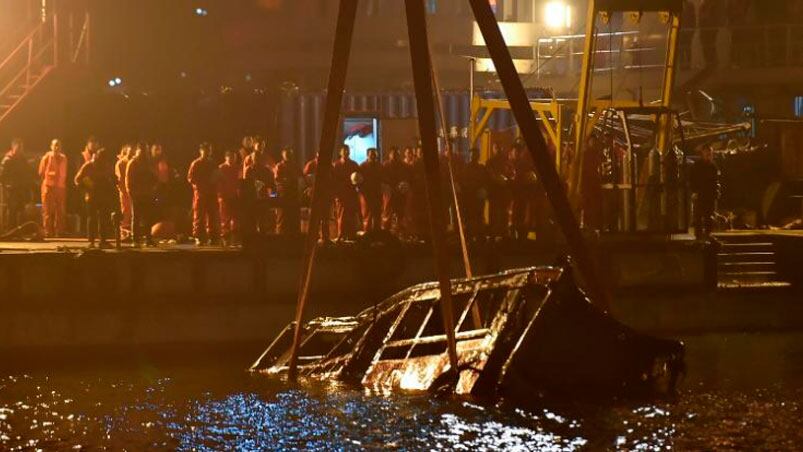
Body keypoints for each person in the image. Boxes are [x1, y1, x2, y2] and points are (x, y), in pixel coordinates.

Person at [74, 149, 115, 248]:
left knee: (103, 219)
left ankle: (103, 241)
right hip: (92, 196)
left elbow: (113, 179)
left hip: (104, 197)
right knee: (92, 219)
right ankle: (92, 241)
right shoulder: (89, 166)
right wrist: (87, 186)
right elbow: (77, 179)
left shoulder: (106, 166)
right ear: (97, 156)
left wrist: (112, 183)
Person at [187, 143, 220, 245]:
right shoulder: (196, 163)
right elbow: (190, 178)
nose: (207, 152)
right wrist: (200, 186)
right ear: (200, 151)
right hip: (201, 194)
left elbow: (217, 176)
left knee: (212, 216)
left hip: (211, 193)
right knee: (199, 216)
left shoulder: (213, 163)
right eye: (205, 150)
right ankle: (199, 237)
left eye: (209, 150)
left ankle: (213, 236)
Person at [126, 143, 156, 247]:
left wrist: (153, 189)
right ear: (138, 151)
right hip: (137, 194)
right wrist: (131, 193)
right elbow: (128, 180)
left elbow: (154, 177)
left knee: (148, 217)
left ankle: (148, 238)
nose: (144, 152)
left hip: (147, 194)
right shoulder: (133, 163)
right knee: (136, 217)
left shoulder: (148, 163)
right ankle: (136, 239)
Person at [0, 139, 34, 231]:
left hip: (21, 188)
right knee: (12, 210)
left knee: (21, 209)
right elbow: (2, 175)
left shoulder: (22, 159)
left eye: (21, 148)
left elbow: (27, 172)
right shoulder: (7, 159)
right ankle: (11, 230)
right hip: (11, 189)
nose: (20, 150)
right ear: (13, 147)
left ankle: (20, 230)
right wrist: (6, 187)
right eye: (18, 147)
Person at [38, 139, 68, 238]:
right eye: (55, 145)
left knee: (60, 210)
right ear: (51, 146)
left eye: (58, 145)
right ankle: (48, 231)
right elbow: (41, 172)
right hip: (48, 187)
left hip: (60, 187)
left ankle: (59, 231)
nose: (57, 147)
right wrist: (47, 183)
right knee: (47, 210)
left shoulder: (64, 158)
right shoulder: (46, 158)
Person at [243, 149, 276, 236]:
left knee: (263, 221)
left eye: (258, 157)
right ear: (252, 158)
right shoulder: (249, 170)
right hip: (252, 199)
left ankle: (262, 240)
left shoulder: (266, 170)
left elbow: (272, 185)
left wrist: (273, 198)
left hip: (263, 199)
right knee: (252, 221)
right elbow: (246, 185)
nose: (256, 159)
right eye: (255, 157)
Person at [331, 144, 360, 241]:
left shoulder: (354, 164)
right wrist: (336, 194)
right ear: (340, 152)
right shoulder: (336, 165)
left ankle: (351, 234)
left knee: (351, 214)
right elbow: (333, 181)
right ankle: (341, 234)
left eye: (347, 150)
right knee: (341, 215)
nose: (346, 152)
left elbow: (359, 178)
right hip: (341, 194)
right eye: (344, 150)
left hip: (351, 193)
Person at [690, 145, 719, 239]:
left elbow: (715, 181)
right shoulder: (697, 165)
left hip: (709, 195)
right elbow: (692, 179)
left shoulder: (713, 166)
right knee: (698, 216)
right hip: (700, 194)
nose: (709, 155)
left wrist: (716, 193)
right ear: (703, 153)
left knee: (709, 216)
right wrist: (694, 192)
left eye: (710, 153)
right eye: (707, 153)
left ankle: (708, 234)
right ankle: (698, 236)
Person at [459, 147, 489, 239]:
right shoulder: (466, 168)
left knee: (478, 216)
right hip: (470, 196)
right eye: (472, 155)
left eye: (475, 155)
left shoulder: (481, 168)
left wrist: (482, 190)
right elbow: (463, 182)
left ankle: (478, 235)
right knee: (471, 216)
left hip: (477, 196)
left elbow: (486, 181)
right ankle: (472, 235)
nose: (473, 157)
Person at [486, 143, 513, 238]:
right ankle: (493, 235)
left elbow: (511, 174)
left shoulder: (506, 161)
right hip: (494, 193)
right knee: (493, 214)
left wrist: (506, 180)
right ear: (493, 149)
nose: (497, 150)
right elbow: (489, 177)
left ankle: (503, 234)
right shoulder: (489, 162)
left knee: (503, 213)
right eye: (495, 148)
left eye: (498, 148)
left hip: (503, 193)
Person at [381, 146, 410, 233]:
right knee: (387, 213)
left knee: (400, 212)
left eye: (397, 154)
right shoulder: (385, 165)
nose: (395, 156)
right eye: (393, 154)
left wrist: (403, 185)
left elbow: (408, 177)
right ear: (390, 154)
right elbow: (382, 178)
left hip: (400, 193)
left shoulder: (404, 166)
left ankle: (401, 231)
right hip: (389, 193)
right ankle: (386, 232)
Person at [274, 147, 302, 236]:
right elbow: (277, 180)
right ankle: (280, 237)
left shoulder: (296, 166)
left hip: (294, 195)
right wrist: (286, 181)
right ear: (283, 155)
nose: (288, 156)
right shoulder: (279, 166)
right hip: (284, 196)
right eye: (287, 154)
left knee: (294, 218)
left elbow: (301, 177)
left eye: (290, 154)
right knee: (282, 218)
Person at [303, 154, 331, 241]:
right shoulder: (311, 164)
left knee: (325, 217)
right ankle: (313, 237)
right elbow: (304, 177)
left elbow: (332, 178)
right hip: (314, 195)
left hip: (325, 194)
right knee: (314, 217)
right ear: (317, 154)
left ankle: (325, 237)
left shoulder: (328, 165)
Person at [217, 150, 240, 245]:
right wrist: (220, 195)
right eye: (230, 157)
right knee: (224, 217)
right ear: (226, 157)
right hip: (224, 196)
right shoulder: (221, 168)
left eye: (234, 157)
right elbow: (217, 183)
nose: (232, 159)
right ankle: (225, 237)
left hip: (234, 196)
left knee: (235, 217)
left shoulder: (237, 168)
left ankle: (234, 236)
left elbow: (240, 181)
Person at [358, 147, 383, 233]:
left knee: (377, 214)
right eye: (371, 154)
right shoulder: (362, 166)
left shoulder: (379, 166)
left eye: (375, 154)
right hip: (366, 194)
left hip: (377, 193)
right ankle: (367, 234)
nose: (373, 156)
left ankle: (377, 234)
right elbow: (358, 181)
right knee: (367, 215)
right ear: (367, 155)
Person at [115, 145, 132, 239]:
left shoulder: (133, 162)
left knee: (132, 213)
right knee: (125, 212)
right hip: (125, 192)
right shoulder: (121, 163)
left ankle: (131, 232)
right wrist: (123, 191)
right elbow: (120, 179)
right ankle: (124, 233)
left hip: (133, 192)